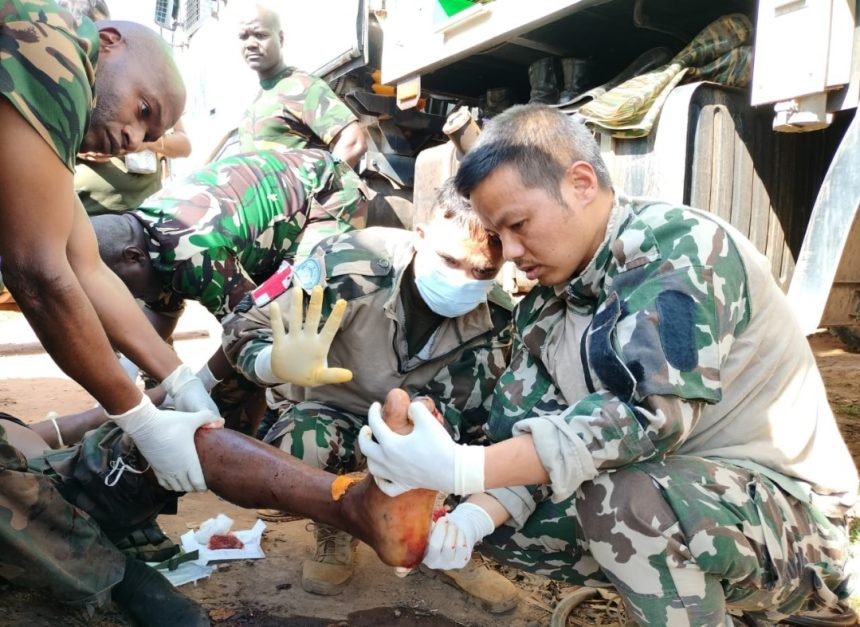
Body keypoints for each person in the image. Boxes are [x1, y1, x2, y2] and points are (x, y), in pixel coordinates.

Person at [358, 105, 859, 626]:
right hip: (701, 500)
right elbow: (540, 439)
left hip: (801, 529)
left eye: (518, 224)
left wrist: (464, 466)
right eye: (497, 234)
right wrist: (472, 515)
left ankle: (797, 606)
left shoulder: (680, 249)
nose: (509, 252)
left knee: (626, 504)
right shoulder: (553, 300)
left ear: (579, 183)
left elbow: (649, 417)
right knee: (513, 516)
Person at [0, 3, 221, 622]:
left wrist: (176, 377)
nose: (134, 138)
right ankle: (100, 571)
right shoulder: (56, 47)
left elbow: (84, 265)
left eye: (150, 137)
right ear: (110, 42)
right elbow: (39, 275)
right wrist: (140, 416)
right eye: (143, 110)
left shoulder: (48, 131)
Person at [219, 179, 520, 610]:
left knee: (488, 446)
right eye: (450, 260)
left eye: (482, 272)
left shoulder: (497, 317)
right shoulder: (350, 263)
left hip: (422, 428)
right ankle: (336, 527)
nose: (461, 281)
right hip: (336, 409)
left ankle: (446, 542)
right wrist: (273, 364)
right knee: (300, 444)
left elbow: (478, 422)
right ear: (420, 237)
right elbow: (244, 324)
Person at [0, 387, 437, 624]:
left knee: (186, 438)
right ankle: (123, 577)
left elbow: (52, 430)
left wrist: (150, 405)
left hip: (42, 472)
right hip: (19, 518)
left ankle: (354, 506)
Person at [92, 147, 368, 433]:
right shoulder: (143, 232)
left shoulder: (192, 254)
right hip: (273, 221)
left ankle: (265, 429)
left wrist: (200, 384)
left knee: (290, 313)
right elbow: (161, 311)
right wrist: (126, 371)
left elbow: (249, 329)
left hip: (327, 195)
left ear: (133, 257)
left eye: (113, 283)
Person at [235, 2, 367, 168]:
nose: (251, 44)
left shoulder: (303, 87)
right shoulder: (255, 105)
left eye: (260, 35)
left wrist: (319, 189)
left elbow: (353, 142)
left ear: (280, 38)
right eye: (243, 37)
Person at [76, 117, 193, 215]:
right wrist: (80, 146)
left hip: (147, 214)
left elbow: (184, 146)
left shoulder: (157, 92)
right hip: (93, 216)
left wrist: (145, 141)